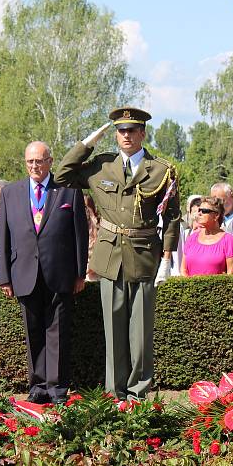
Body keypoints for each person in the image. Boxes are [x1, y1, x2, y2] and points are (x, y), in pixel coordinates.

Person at [53, 107, 181, 400]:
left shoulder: (162, 170)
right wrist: (87, 143)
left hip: (145, 254)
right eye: (121, 130)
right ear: (115, 134)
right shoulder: (101, 165)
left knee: (141, 333)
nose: (127, 135)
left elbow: (172, 217)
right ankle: (115, 393)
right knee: (113, 332)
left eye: (132, 130)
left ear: (142, 133)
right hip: (109, 257)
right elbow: (62, 176)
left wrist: (167, 259)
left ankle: (138, 392)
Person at [0, 141, 88, 404]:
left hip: (60, 273)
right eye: (30, 162)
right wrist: (4, 276)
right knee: (33, 330)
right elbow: (3, 236)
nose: (34, 166)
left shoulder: (68, 192)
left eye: (39, 161)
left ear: (50, 161)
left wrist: (80, 273)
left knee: (58, 332)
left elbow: (79, 236)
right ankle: (38, 387)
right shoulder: (10, 193)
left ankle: (57, 388)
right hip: (24, 273)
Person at [181, 196, 233, 276]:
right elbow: (183, 270)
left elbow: (231, 273)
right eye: (199, 210)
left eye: (204, 211)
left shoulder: (228, 240)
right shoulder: (191, 238)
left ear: (216, 215)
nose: (199, 213)